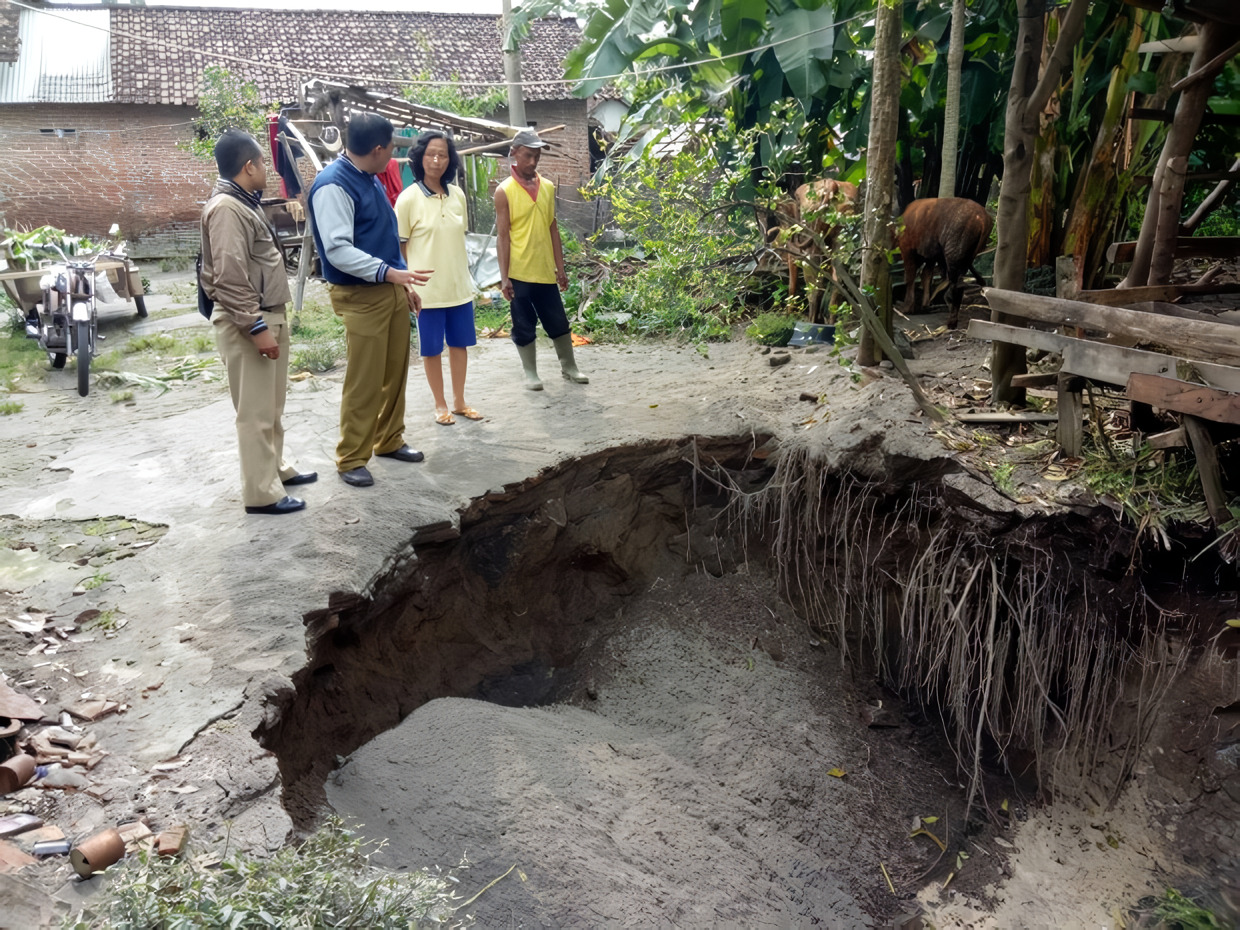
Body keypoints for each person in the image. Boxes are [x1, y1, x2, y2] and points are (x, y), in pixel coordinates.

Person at [308, 112, 431, 488]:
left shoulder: (368, 178)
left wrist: (402, 284)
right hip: (360, 295)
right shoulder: (333, 185)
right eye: (391, 147)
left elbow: (383, 236)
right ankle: (351, 457)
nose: (393, 155)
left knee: (394, 371)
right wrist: (389, 273)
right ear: (377, 149)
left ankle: (389, 438)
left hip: (388, 288)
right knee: (364, 379)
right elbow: (338, 250)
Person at [200, 129, 316, 516]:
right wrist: (255, 326)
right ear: (249, 166)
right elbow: (229, 276)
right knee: (254, 413)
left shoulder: (241, 201)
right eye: (263, 162)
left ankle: (276, 470)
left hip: (266, 314)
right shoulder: (227, 209)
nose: (267, 168)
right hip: (247, 321)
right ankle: (261, 493)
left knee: (272, 406)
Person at [395, 130, 482, 425]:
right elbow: (401, 247)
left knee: (460, 345)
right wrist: (407, 286)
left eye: (443, 155)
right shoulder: (407, 199)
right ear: (420, 158)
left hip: (459, 286)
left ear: (450, 159)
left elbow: (459, 239)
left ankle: (459, 401)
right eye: (431, 154)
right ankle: (440, 404)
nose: (436, 160)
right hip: (427, 291)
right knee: (431, 349)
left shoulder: (458, 196)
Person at [494, 129, 588, 391]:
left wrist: (561, 268)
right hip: (519, 272)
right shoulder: (504, 192)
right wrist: (504, 278)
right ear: (514, 153)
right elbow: (502, 237)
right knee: (524, 324)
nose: (533, 162)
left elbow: (552, 229)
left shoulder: (547, 187)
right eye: (528, 156)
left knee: (558, 321)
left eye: (537, 157)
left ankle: (570, 368)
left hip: (545, 270)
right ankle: (531, 373)